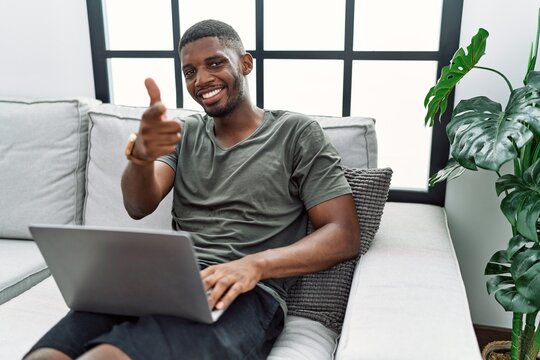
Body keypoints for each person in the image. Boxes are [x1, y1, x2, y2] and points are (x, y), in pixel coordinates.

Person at [25, 19, 360, 360]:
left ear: (245, 63)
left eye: (215, 63)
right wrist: (141, 156)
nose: (201, 80)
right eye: (189, 71)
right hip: (161, 282)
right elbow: (139, 205)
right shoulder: (185, 133)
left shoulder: (296, 132)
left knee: (108, 356)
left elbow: (343, 234)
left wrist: (254, 266)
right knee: (47, 355)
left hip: (245, 293)